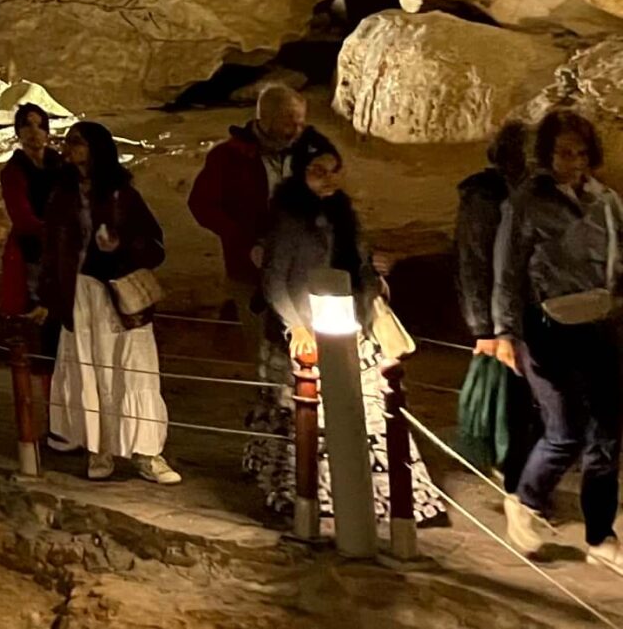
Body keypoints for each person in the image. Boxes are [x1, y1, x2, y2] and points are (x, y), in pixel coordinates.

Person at [244, 129, 444, 526]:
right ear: (301, 173)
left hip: (349, 324)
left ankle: (389, 497)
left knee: (370, 411)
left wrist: (373, 285)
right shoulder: (288, 219)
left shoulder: (343, 214)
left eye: (334, 170)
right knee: (306, 417)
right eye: (318, 170)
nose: (328, 178)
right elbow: (275, 279)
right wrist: (296, 327)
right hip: (307, 330)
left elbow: (359, 264)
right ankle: (308, 495)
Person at [493, 109, 623, 565]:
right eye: (564, 152)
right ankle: (526, 499)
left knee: (606, 433)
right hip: (546, 327)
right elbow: (507, 273)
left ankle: (600, 537)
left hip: (598, 322)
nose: (574, 161)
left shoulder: (605, 200)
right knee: (564, 429)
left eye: (581, 152)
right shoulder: (526, 202)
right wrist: (504, 331)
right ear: (547, 154)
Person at [41, 121, 178, 484]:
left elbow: (153, 243)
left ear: (95, 149)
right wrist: (50, 294)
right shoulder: (62, 195)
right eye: (68, 142)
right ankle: (98, 448)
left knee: (134, 368)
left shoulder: (122, 194)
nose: (69, 148)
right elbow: (52, 249)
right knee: (90, 369)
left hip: (119, 292)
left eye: (77, 142)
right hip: (82, 293)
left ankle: (147, 452)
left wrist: (120, 246)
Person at [458, 120, 538, 492]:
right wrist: (484, 329)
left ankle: (524, 475)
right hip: (500, 313)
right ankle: (513, 475)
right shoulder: (485, 197)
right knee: (510, 401)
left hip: (530, 310)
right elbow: (474, 263)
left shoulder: (533, 193)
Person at [191, 85, 309, 335]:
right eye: (289, 124)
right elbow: (202, 205)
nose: (297, 131)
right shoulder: (227, 157)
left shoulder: (304, 154)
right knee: (261, 340)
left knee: (307, 340)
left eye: (301, 123)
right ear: (265, 119)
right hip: (249, 269)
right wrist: (244, 241)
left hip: (301, 266)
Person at [0, 102, 64, 339]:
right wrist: (53, 230)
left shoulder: (61, 165)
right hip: (34, 248)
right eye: (27, 125)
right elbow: (20, 213)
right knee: (41, 314)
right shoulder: (14, 171)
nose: (34, 131)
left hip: (67, 244)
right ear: (18, 132)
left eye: (39, 125)